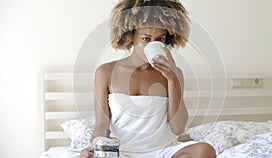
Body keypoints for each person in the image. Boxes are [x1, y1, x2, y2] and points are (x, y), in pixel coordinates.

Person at [80, 0, 216, 157]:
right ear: (131, 36)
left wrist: (172, 79)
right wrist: (96, 148)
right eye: (146, 38)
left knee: (204, 150)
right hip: (121, 153)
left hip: (162, 152)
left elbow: (178, 128)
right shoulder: (105, 72)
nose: (153, 44)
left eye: (160, 39)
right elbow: (102, 124)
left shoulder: (174, 73)